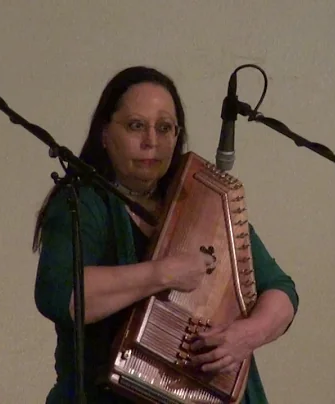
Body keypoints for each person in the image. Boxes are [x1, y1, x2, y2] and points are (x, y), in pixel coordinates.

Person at [33, 66, 299, 403]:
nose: (151, 142)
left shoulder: (205, 198)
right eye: (135, 126)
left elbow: (280, 289)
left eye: (164, 128)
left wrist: (245, 335)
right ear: (104, 133)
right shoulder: (82, 203)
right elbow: (60, 294)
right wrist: (164, 273)